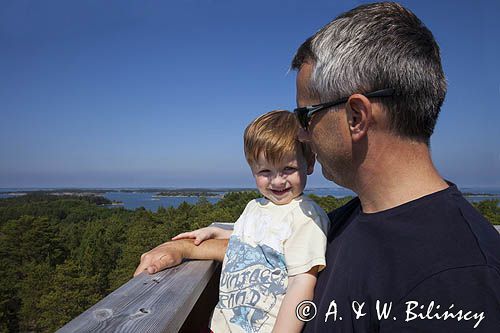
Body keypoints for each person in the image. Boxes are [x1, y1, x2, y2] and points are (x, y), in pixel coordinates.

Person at [135, 2, 500, 332]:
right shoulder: (346, 221)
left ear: (356, 116)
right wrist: (183, 250)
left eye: (305, 116)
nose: (303, 136)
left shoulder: (460, 281)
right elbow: (265, 254)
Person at [174, 110, 329, 332]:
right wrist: (216, 232)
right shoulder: (255, 207)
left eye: (289, 169)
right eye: (265, 171)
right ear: (252, 168)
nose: (277, 181)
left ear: (310, 163)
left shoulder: (306, 217)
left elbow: (301, 284)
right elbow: (253, 237)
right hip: (219, 325)